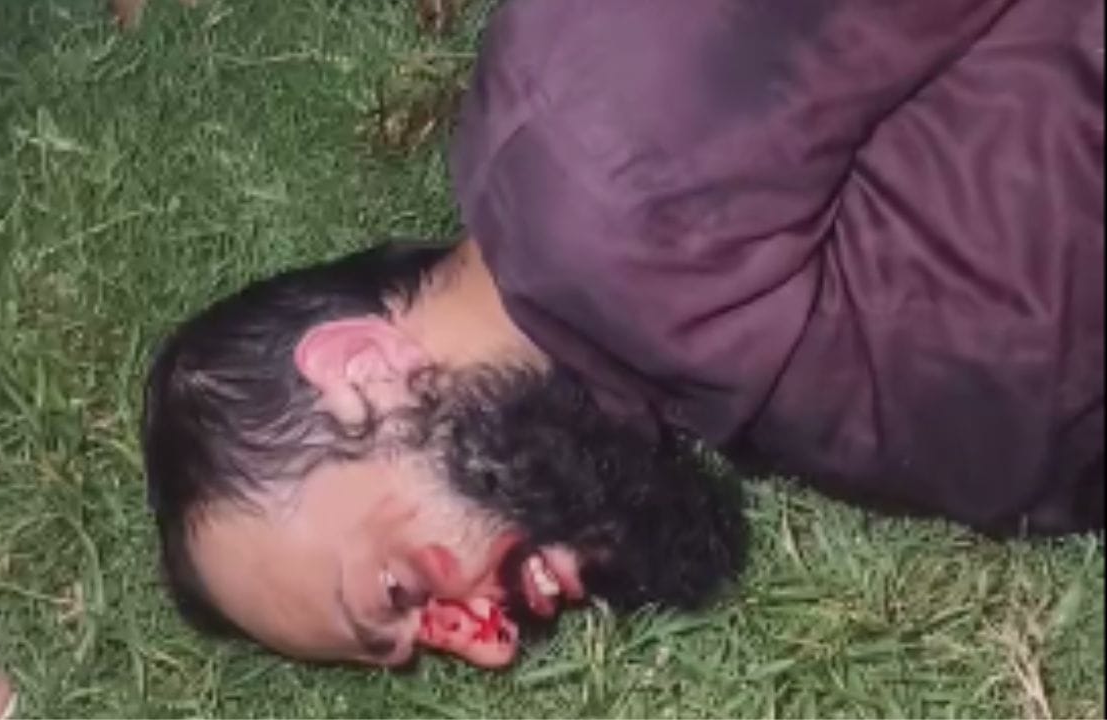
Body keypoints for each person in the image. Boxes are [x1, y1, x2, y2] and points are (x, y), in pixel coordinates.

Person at [141, 0, 1104, 669]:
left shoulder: (598, 143)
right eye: (417, 649)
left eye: (399, 593)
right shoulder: (639, 368)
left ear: (361, 371)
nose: (488, 645)